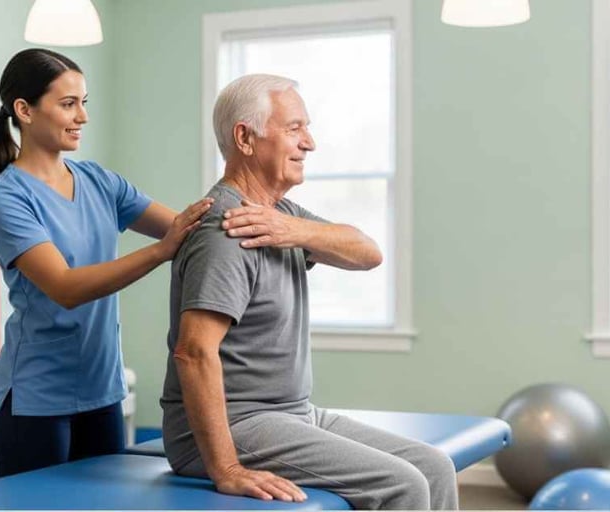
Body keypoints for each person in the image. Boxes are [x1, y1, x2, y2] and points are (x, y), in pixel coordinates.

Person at [161, 74, 459, 510]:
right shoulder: (228, 230)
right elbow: (193, 352)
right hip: (233, 424)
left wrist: (295, 230)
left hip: (292, 413)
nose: (310, 143)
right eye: (294, 128)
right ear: (245, 138)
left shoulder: (278, 216)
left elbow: (368, 253)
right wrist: (226, 468)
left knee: (434, 466)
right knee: (404, 484)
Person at [0, 48, 214, 477]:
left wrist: (269, 227)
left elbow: (187, 229)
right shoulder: (6, 196)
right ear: (24, 110)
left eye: (84, 103)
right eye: (68, 104)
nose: (82, 117)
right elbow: (65, 287)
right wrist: (160, 252)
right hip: (34, 402)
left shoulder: (100, 181)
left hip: (102, 392)